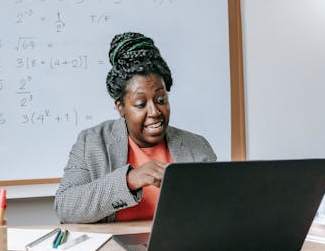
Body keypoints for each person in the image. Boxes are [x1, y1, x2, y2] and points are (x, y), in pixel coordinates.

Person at [54, 32, 216, 224]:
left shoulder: (196, 146)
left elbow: (216, 209)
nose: (154, 111)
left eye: (161, 100)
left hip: (180, 249)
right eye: (140, 104)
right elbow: (65, 206)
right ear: (120, 107)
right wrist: (129, 180)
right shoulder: (92, 142)